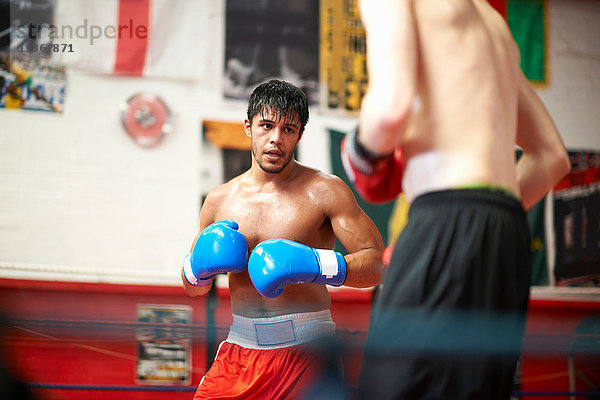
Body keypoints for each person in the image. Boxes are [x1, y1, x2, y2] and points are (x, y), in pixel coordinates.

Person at [341, 1, 571, 399]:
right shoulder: (495, 28)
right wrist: (479, 218)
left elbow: (390, 107)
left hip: (445, 216)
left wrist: (359, 154)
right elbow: (553, 158)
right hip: (507, 233)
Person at [181, 79, 385, 399]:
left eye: (288, 130)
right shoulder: (219, 200)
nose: (276, 139)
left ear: (299, 135)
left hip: (309, 351)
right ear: (248, 127)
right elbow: (194, 288)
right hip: (240, 353)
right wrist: (198, 265)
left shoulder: (325, 191)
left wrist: (315, 264)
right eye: (267, 125)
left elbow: (376, 264)